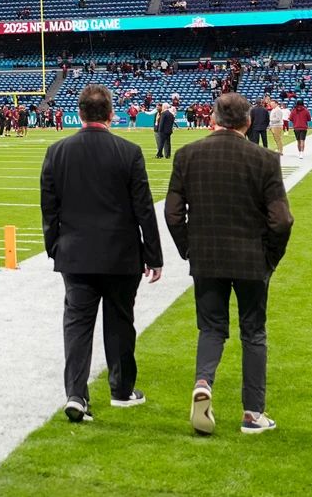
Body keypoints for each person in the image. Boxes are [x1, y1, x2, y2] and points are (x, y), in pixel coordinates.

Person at [164, 92, 294, 437]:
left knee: (210, 329)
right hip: (251, 259)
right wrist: (270, 257)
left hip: (207, 258)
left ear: (214, 118)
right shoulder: (264, 159)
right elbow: (281, 220)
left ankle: (204, 380)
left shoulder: (188, 154)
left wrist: (189, 249)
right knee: (253, 332)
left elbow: (173, 213)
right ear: (248, 121)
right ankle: (253, 413)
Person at [40, 84, 164, 423]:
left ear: (79, 113)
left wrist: (55, 248)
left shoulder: (57, 151)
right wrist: (154, 255)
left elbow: (49, 209)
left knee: (77, 325)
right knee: (120, 322)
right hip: (120, 255)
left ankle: (76, 394)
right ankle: (121, 389)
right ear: (111, 113)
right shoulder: (129, 151)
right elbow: (144, 209)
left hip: (76, 255)